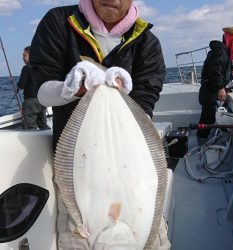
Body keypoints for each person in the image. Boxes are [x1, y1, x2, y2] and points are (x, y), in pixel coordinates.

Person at [29, 0, 168, 249]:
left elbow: (145, 104)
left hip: (133, 169)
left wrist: (116, 96)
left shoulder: (147, 42)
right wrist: (73, 89)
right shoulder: (59, 22)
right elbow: (42, 92)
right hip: (81, 173)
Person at [197, 26, 233, 143]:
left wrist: (223, 86)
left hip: (208, 90)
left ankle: (204, 139)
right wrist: (220, 88)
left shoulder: (221, 51)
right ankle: (201, 142)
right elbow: (215, 70)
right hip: (209, 91)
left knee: (208, 115)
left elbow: (218, 69)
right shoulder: (221, 51)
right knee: (207, 117)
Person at [17, 46, 50, 130]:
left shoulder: (26, 68)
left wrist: (18, 86)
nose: (22, 58)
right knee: (43, 124)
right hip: (42, 100)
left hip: (30, 101)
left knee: (30, 127)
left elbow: (22, 84)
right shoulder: (42, 68)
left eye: (24, 55)